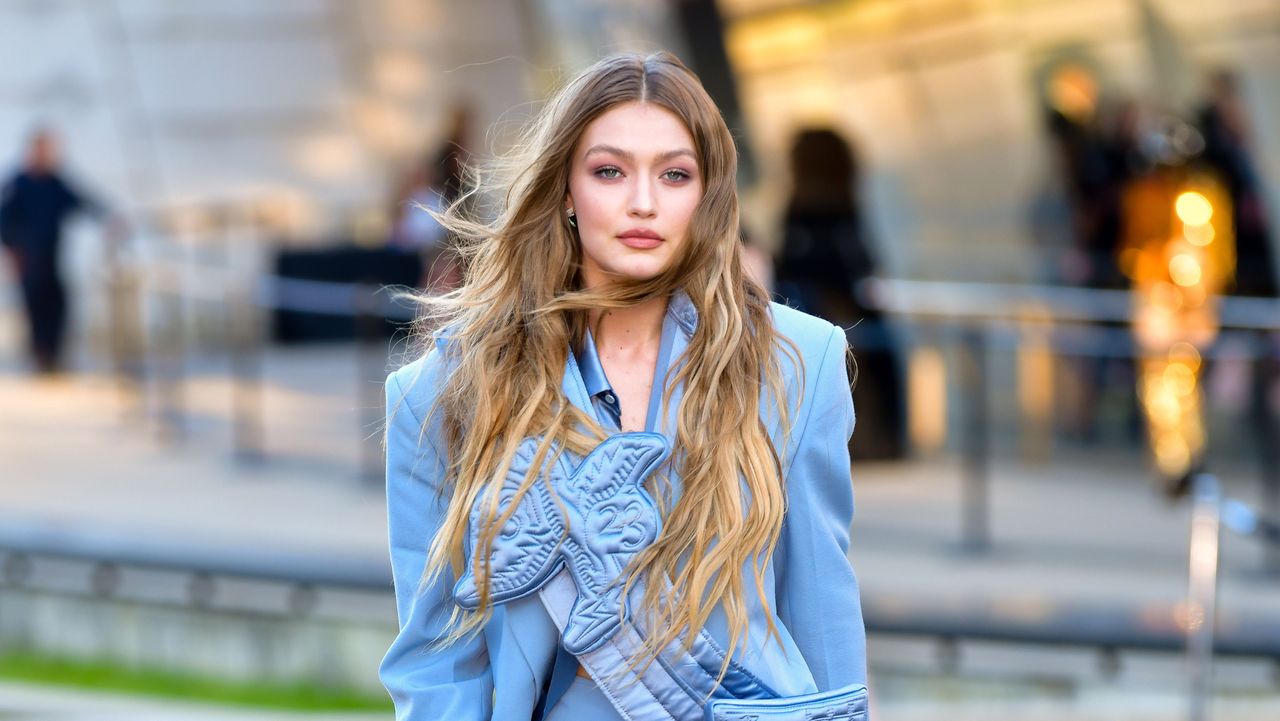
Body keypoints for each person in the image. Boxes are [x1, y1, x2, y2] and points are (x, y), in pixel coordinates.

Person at [381, 52, 868, 721]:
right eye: (610, 171)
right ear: (565, 189)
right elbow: (436, 660)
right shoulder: (443, 390)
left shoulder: (799, 362)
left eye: (674, 173)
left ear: (707, 193)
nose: (644, 202)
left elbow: (823, 626)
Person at [0, 128, 118, 374]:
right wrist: (12, 251)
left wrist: (109, 218)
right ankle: (42, 358)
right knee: (36, 308)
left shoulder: (56, 183)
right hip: (28, 259)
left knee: (58, 306)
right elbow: (4, 221)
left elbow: (83, 201)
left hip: (52, 258)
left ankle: (54, 358)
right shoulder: (18, 184)